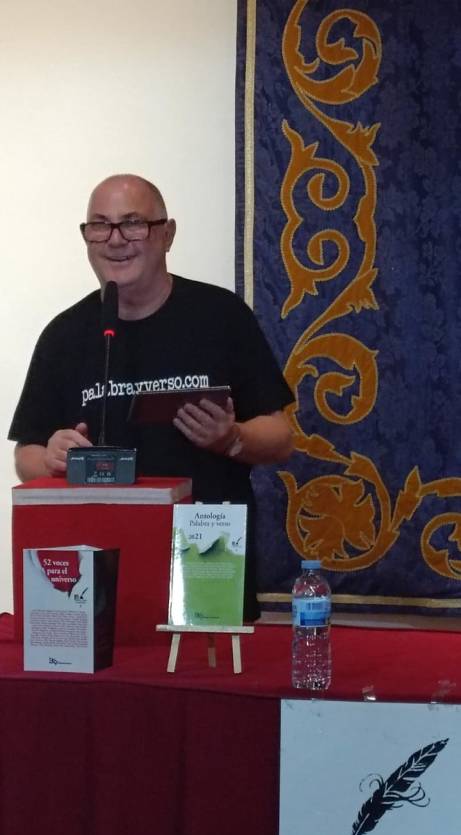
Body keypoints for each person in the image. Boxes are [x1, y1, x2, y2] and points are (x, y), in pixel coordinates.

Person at [9, 174, 294, 618]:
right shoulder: (63, 335)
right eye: (100, 225)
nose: (115, 240)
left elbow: (282, 436)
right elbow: (25, 455)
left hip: (205, 560)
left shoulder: (220, 316)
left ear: (167, 234)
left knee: (201, 664)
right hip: (95, 575)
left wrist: (232, 438)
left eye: (133, 223)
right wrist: (51, 458)